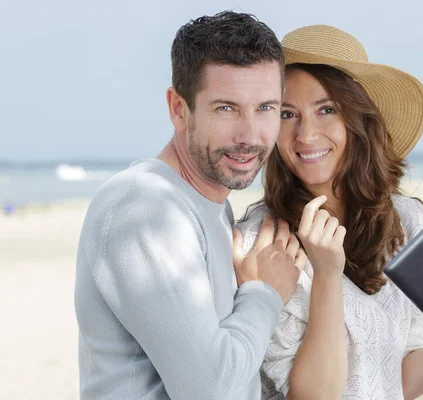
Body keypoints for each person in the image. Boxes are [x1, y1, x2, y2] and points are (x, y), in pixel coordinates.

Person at [235, 25, 423, 400]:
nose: (306, 134)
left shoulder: (403, 221)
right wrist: (327, 274)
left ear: (358, 119)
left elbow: (398, 381)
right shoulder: (262, 244)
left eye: (326, 109)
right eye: (287, 114)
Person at [74, 11, 306, 400]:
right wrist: (265, 292)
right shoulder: (143, 208)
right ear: (178, 109)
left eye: (266, 108)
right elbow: (211, 390)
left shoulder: (207, 208)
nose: (249, 135)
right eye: (226, 108)